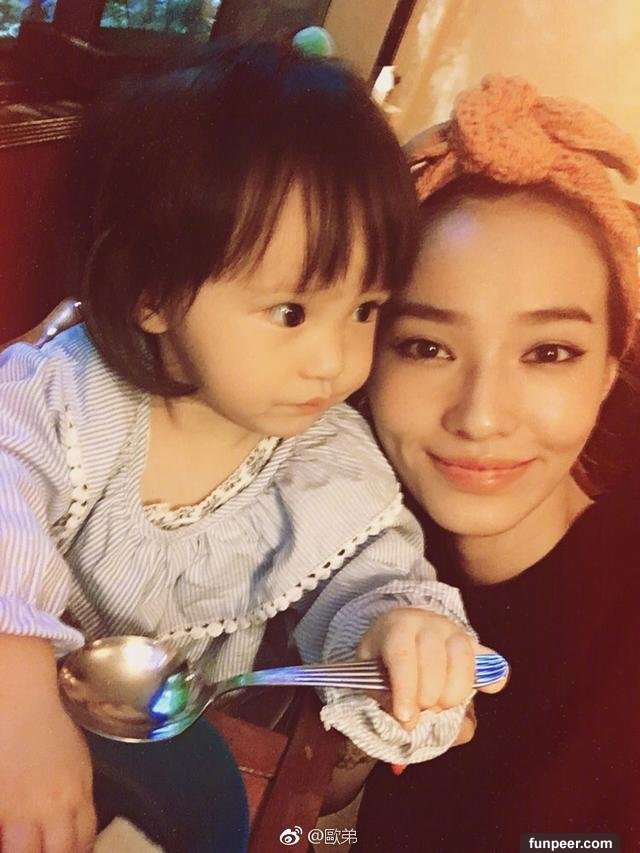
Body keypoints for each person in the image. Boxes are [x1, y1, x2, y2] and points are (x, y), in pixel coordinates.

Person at [0, 44, 505, 851]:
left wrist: (398, 633)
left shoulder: (328, 468)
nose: (334, 360)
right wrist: (17, 694)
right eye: (291, 312)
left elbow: (371, 581)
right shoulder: (73, 391)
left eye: (365, 308)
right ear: (154, 291)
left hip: (204, 773)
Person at [355, 74, 640, 851]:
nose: (479, 416)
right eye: (426, 346)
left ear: (608, 370)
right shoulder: (337, 547)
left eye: (548, 352)